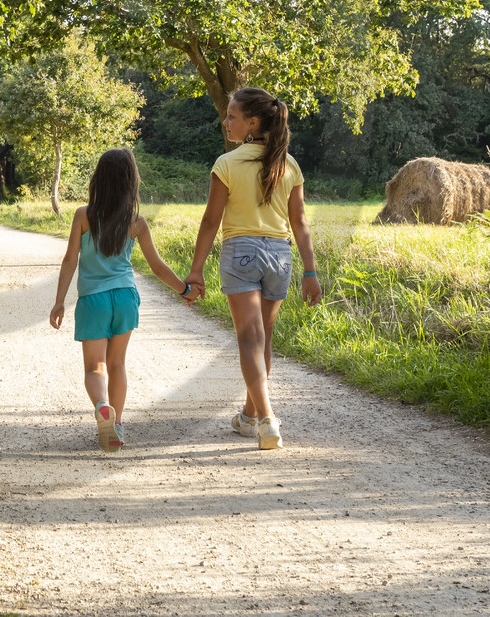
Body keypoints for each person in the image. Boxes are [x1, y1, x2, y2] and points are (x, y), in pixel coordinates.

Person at [185, 87, 321, 450]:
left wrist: (196, 270)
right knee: (264, 340)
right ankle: (249, 417)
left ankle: (267, 418)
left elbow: (211, 220)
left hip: (241, 251)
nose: (225, 121)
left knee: (249, 338)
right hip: (280, 255)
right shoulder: (289, 164)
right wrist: (310, 272)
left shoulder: (226, 164)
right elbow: (300, 224)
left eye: (231, 116)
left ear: (252, 122)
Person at [50, 148, 196, 452]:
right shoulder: (136, 222)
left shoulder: (83, 215)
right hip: (126, 298)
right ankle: (116, 426)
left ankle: (103, 406)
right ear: (131, 181)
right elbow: (157, 267)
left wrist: (59, 301)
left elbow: (69, 261)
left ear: (98, 180)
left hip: (94, 300)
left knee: (95, 367)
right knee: (117, 363)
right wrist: (183, 290)